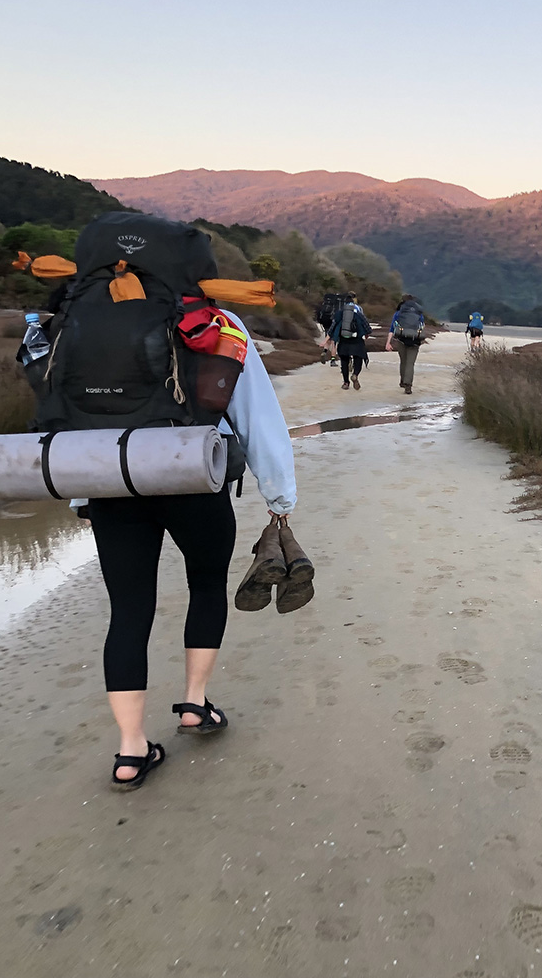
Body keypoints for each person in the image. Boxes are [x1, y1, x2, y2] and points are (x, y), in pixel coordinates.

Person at [79, 317, 296, 791]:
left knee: (129, 611)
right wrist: (279, 495)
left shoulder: (85, 316)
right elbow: (254, 411)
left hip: (109, 477)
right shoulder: (215, 320)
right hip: (193, 474)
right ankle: (196, 705)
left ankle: (131, 751)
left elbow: (68, 408)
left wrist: (81, 493)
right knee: (205, 584)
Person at [327, 291, 371, 390]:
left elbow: (333, 326)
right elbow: (367, 326)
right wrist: (366, 334)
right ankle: (355, 374)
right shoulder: (358, 312)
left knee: (344, 362)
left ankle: (346, 383)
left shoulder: (340, 313)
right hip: (356, 340)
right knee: (358, 358)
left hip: (343, 340)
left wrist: (329, 338)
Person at [385, 294, 425, 394]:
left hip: (401, 339)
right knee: (410, 363)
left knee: (403, 361)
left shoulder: (398, 313)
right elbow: (421, 327)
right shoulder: (419, 314)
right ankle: (408, 385)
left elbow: (392, 329)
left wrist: (388, 343)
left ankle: (403, 381)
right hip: (415, 341)